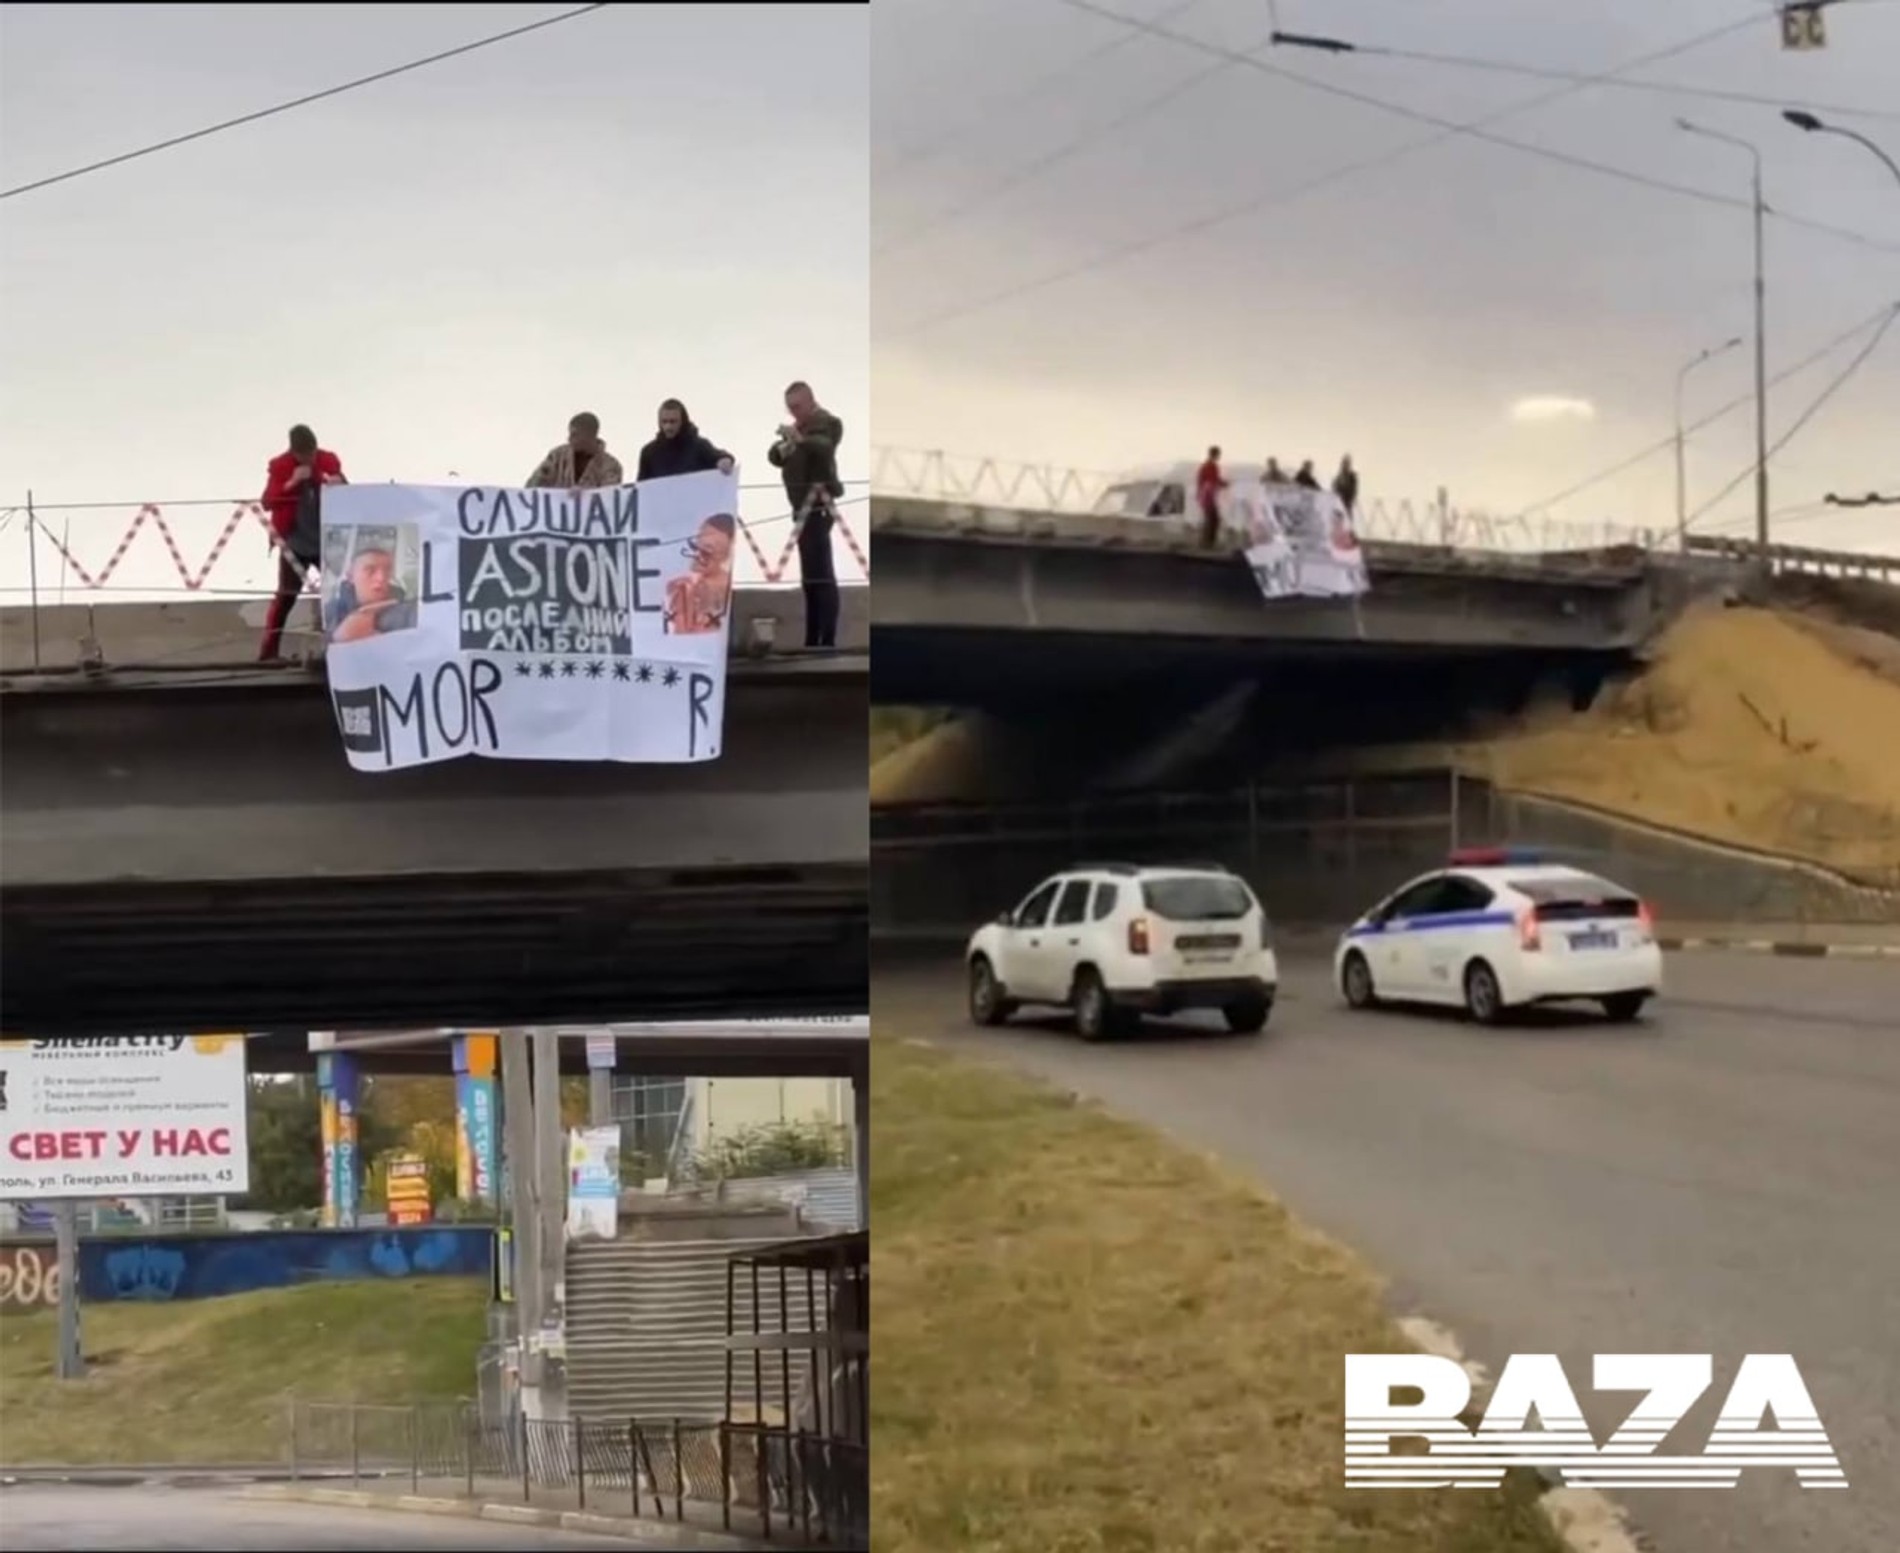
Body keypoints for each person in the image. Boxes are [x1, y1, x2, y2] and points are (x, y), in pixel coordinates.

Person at [258, 424, 346, 662]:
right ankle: (268, 653)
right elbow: (267, 502)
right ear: (294, 452)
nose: (309, 459)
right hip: (295, 544)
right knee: (286, 597)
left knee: (338, 593)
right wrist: (292, 482)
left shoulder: (328, 460)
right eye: (304, 455)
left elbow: (346, 491)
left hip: (324, 542)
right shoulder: (280, 466)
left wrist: (338, 483)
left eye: (312, 453)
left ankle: (340, 649)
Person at [767, 380, 845, 649]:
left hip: (819, 507)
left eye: (797, 406)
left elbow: (824, 446)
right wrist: (784, 448)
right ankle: (812, 639)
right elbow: (774, 457)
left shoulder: (828, 423)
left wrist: (799, 440)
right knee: (810, 577)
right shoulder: (798, 430)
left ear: (810, 401)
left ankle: (827, 639)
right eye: (790, 408)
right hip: (800, 508)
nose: (794, 412)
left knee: (822, 574)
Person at [325, 530, 417, 644]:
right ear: (351, 577)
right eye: (370, 570)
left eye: (387, 570)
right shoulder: (331, 611)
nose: (381, 578)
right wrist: (336, 639)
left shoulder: (408, 612)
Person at [665, 513, 738, 635]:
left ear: (725, 554)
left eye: (707, 550)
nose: (697, 554)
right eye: (695, 545)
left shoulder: (723, 588)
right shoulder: (684, 586)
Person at [638, 399, 735, 481]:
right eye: (664, 422)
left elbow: (719, 457)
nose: (668, 427)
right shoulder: (649, 452)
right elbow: (641, 487)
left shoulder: (699, 446)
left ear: (683, 421)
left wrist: (724, 460)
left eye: (673, 422)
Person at [526, 412, 624, 489]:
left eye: (575, 435)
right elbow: (531, 488)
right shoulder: (556, 457)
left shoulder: (611, 466)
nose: (569, 438)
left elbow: (609, 497)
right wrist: (540, 477)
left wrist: (585, 494)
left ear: (589, 435)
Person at [1195, 445, 1227, 549]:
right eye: (1218, 454)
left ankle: (1207, 542)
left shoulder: (1205, 465)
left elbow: (1201, 480)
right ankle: (1208, 542)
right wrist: (1223, 484)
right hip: (1208, 494)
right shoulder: (1211, 466)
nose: (1219, 457)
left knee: (1210, 518)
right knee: (1213, 519)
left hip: (1206, 494)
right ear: (1215, 454)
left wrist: (1199, 493)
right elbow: (1213, 480)